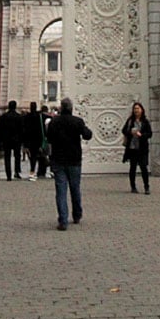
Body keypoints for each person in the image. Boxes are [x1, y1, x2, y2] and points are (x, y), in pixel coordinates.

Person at [46, 97, 92, 230]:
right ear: (71, 108)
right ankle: (77, 214)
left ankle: (63, 220)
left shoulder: (54, 122)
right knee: (75, 188)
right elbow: (87, 135)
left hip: (58, 159)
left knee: (61, 190)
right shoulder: (77, 121)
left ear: (61, 108)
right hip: (74, 159)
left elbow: (49, 138)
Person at [121, 101, 152, 194]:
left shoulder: (145, 122)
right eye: (135, 109)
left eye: (138, 108)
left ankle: (146, 187)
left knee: (143, 168)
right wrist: (130, 132)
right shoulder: (130, 121)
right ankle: (133, 187)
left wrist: (141, 135)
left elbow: (150, 134)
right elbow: (123, 130)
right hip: (132, 148)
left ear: (142, 110)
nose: (136, 110)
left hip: (142, 149)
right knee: (133, 168)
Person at [23, 101, 47, 181]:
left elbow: (24, 130)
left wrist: (25, 143)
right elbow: (41, 129)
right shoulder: (39, 116)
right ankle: (38, 171)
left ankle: (32, 170)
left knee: (32, 156)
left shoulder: (27, 117)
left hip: (29, 139)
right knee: (37, 155)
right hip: (37, 139)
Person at [0, 100, 23, 180]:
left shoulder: (3, 116)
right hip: (17, 139)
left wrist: (0, 139)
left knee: (7, 156)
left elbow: (1, 129)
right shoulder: (19, 117)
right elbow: (21, 129)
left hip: (6, 139)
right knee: (17, 156)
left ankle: (8, 174)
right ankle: (17, 172)